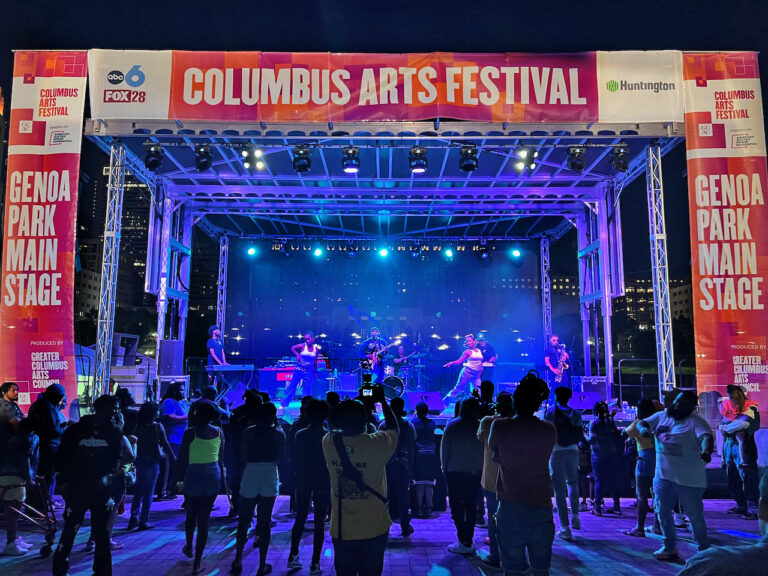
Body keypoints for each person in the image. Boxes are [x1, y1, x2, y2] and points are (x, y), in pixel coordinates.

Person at [52, 395, 134, 576]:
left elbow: (115, 459)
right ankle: (60, 568)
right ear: (102, 409)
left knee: (102, 534)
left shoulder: (114, 432)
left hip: (102, 490)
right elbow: (63, 457)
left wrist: (108, 478)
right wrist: (64, 482)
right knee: (70, 529)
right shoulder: (77, 430)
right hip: (79, 487)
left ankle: (102, 572)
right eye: (113, 408)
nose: (115, 412)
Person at [323, 385, 399, 576]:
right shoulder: (376, 443)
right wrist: (381, 400)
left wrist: (354, 402)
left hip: (341, 529)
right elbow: (394, 428)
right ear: (366, 421)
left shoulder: (329, 442)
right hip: (374, 526)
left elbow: (333, 422)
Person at [636, 389, 714, 562]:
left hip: (690, 480)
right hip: (663, 477)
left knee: (694, 516)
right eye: (676, 402)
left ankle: (704, 551)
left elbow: (706, 437)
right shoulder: (663, 416)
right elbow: (642, 423)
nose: (677, 406)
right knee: (662, 512)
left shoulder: (696, 422)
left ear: (691, 408)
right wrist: (643, 430)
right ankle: (669, 547)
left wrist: (706, 450)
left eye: (682, 404)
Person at [490, 371, 555, 575]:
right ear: (538, 404)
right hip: (541, 503)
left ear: (514, 402)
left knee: (512, 569)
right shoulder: (548, 429)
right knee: (540, 569)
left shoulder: (499, 426)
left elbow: (495, 455)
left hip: (510, 505)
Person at [232, 402, 285, 576]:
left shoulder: (249, 432)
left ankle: (238, 559)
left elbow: (243, 456)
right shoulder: (278, 434)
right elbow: (281, 458)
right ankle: (262, 564)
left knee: (244, 519)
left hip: (251, 472)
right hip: (269, 472)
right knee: (265, 521)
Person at [178, 399, 226, 574]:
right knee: (204, 518)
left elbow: (182, 458)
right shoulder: (219, 432)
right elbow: (221, 459)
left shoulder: (190, 433)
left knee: (191, 512)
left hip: (194, 475)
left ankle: (189, 545)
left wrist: (177, 479)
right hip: (213, 475)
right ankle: (198, 561)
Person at [288, 399, 330, 574]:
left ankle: (293, 555)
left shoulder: (300, 434)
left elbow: (295, 457)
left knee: (300, 518)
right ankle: (315, 563)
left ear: (307, 414)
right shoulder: (328, 436)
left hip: (304, 478)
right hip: (322, 480)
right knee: (319, 522)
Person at [441, 396, 484, 555]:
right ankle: (468, 539)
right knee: (471, 504)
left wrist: (443, 467)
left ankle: (462, 539)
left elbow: (445, 449)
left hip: (454, 470)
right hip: (474, 471)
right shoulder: (479, 425)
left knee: (456, 505)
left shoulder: (452, 425)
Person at [477, 391, 513, 569]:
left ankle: (495, 556)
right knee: (513, 517)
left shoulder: (488, 422)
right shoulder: (517, 424)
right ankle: (514, 556)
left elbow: (482, 440)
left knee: (493, 516)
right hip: (513, 477)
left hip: (492, 477)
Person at [544, 386, 583, 540]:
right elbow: (580, 434)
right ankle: (575, 514)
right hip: (573, 450)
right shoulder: (576, 414)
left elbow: (545, 431)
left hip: (556, 451)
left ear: (556, 396)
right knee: (573, 483)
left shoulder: (551, 412)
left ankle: (565, 527)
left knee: (559, 490)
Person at [128, 402, 173, 531]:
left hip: (139, 460)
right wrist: (173, 456)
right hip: (153, 460)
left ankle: (133, 518)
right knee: (149, 492)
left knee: (138, 491)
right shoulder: (158, 427)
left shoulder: (137, 427)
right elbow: (165, 443)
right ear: (153, 413)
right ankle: (144, 520)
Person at [720, 384, 760, 518]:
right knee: (732, 478)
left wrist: (726, 427)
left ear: (742, 395)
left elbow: (743, 424)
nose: (735, 399)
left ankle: (753, 507)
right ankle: (741, 505)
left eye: (737, 396)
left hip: (745, 447)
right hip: (730, 447)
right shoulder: (728, 409)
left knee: (748, 478)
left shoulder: (751, 409)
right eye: (732, 397)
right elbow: (722, 425)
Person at [0, 418, 38, 556]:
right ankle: (11, 543)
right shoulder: (31, 438)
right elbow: (25, 458)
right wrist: (29, 479)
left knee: (13, 510)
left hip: (5, 474)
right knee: (14, 512)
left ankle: (14, 539)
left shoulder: (14, 438)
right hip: (16, 477)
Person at [379, 396, 416, 537]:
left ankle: (384, 529)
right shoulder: (408, 426)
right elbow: (412, 449)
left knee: (385, 497)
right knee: (403, 498)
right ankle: (405, 527)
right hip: (403, 465)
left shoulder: (383, 425)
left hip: (387, 464)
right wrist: (411, 467)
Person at [27, 383, 67, 503]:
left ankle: (40, 505)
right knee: (46, 477)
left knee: (41, 476)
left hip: (40, 446)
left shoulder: (38, 405)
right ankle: (41, 505)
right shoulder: (48, 408)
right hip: (48, 448)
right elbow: (53, 430)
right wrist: (64, 428)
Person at [228, 389, 263, 516]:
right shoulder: (256, 416)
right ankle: (250, 511)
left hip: (238, 451)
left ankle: (235, 507)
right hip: (253, 454)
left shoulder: (237, 413)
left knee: (240, 478)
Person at [587, 401, 621, 516]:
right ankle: (617, 507)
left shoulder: (594, 423)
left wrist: (582, 434)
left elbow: (591, 440)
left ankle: (597, 508)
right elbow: (616, 435)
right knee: (613, 479)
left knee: (598, 480)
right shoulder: (610, 422)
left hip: (598, 454)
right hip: (611, 453)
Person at [159, 381, 189, 499]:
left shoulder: (179, 403)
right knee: (168, 466)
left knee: (174, 467)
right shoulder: (169, 402)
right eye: (181, 390)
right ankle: (163, 491)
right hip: (172, 439)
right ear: (175, 391)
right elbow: (170, 417)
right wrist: (187, 416)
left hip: (179, 439)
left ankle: (170, 490)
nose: (183, 392)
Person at [411, 401, 438, 518]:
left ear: (416, 411)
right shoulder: (432, 423)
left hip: (419, 455)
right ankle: (429, 508)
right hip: (431, 455)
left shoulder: (413, 422)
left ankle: (420, 509)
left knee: (419, 483)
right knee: (429, 483)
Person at [443, 334, 484, 405]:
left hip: (476, 374)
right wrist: (452, 362)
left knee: (477, 391)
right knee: (458, 389)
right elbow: (459, 361)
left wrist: (481, 369)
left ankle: (477, 407)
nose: (468, 343)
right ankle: (443, 403)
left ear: (474, 341)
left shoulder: (479, 350)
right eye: (467, 341)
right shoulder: (467, 351)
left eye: (470, 341)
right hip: (467, 372)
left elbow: (480, 362)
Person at [284, 332, 320, 409]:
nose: (307, 341)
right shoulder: (303, 346)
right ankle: (285, 403)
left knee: (308, 388)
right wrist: (297, 355)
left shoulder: (316, 349)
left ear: (313, 339)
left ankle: (306, 405)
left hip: (309, 371)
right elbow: (292, 348)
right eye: (306, 339)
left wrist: (315, 372)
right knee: (293, 386)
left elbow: (315, 361)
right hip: (299, 369)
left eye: (308, 339)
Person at [0, 382, 25, 467]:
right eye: (13, 390)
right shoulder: (3, 405)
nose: (16, 392)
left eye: (17, 390)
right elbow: (15, 423)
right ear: (4, 393)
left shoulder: (13, 404)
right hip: (9, 439)